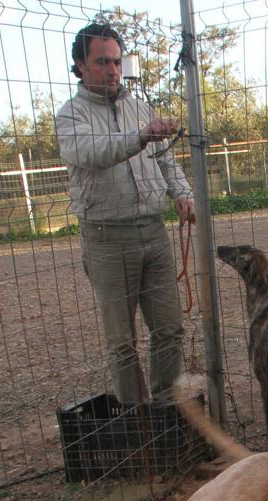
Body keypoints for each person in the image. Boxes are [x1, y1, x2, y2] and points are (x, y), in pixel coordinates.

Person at [57, 23, 196, 407]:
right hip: (106, 237)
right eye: (102, 62)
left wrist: (182, 193)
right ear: (80, 66)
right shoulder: (71, 117)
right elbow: (92, 152)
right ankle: (135, 423)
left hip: (154, 231)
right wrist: (141, 137)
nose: (113, 69)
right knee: (122, 343)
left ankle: (167, 410)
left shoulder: (139, 107)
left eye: (117, 61)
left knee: (169, 329)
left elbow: (165, 160)